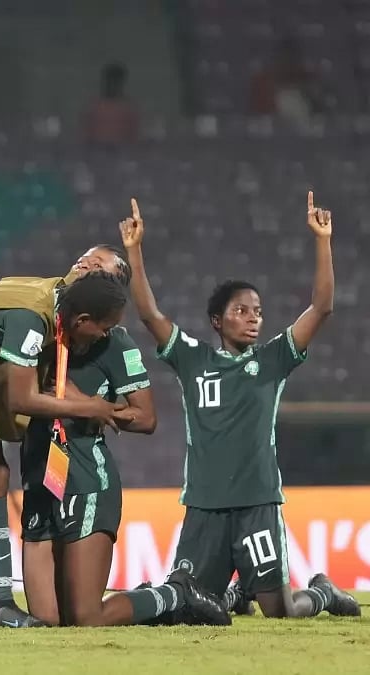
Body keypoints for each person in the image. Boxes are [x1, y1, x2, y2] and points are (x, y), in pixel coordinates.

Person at [120, 194, 359, 619]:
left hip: (256, 502)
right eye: (242, 310)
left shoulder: (271, 361)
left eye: (259, 312)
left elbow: (322, 306)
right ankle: (233, 594)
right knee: (186, 603)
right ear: (217, 320)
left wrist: (323, 240)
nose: (253, 318)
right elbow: (148, 313)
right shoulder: (192, 359)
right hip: (204, 505)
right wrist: (134, 251)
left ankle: (322, 592)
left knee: (280, 611)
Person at [0, 248, 133, 629]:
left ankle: (2, 604)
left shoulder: (58, 299)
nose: (86, 267)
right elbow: (21, 398)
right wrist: (92, 408)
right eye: (87, 262)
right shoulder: (35, 315)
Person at [18, 273, 229, 627]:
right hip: (41, 478)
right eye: (103, 326)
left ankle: (175, 593)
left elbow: (146, 418)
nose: (106, 332)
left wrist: (88, 404)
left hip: (87, 480)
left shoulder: (116, 343)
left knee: (86, 617)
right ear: (80, 318)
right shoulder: (35, 330)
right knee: (48, 622)